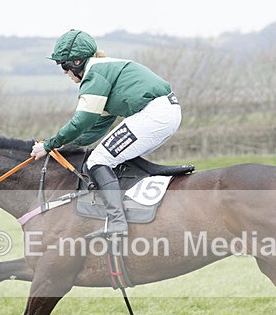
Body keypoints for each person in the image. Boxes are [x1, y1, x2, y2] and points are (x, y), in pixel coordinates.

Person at [31, 29, 182, 239]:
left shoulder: (95, 74)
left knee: (97, 161)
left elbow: (81, 120)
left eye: (64, 65)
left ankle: (117, 222)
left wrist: (49, 144)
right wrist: (61, 148)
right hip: (164, 113)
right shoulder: (104, 71)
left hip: (155, 114)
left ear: (76, 62)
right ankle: (137, 207)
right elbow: (93, 130)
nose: (64, 72)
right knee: (111, 157)